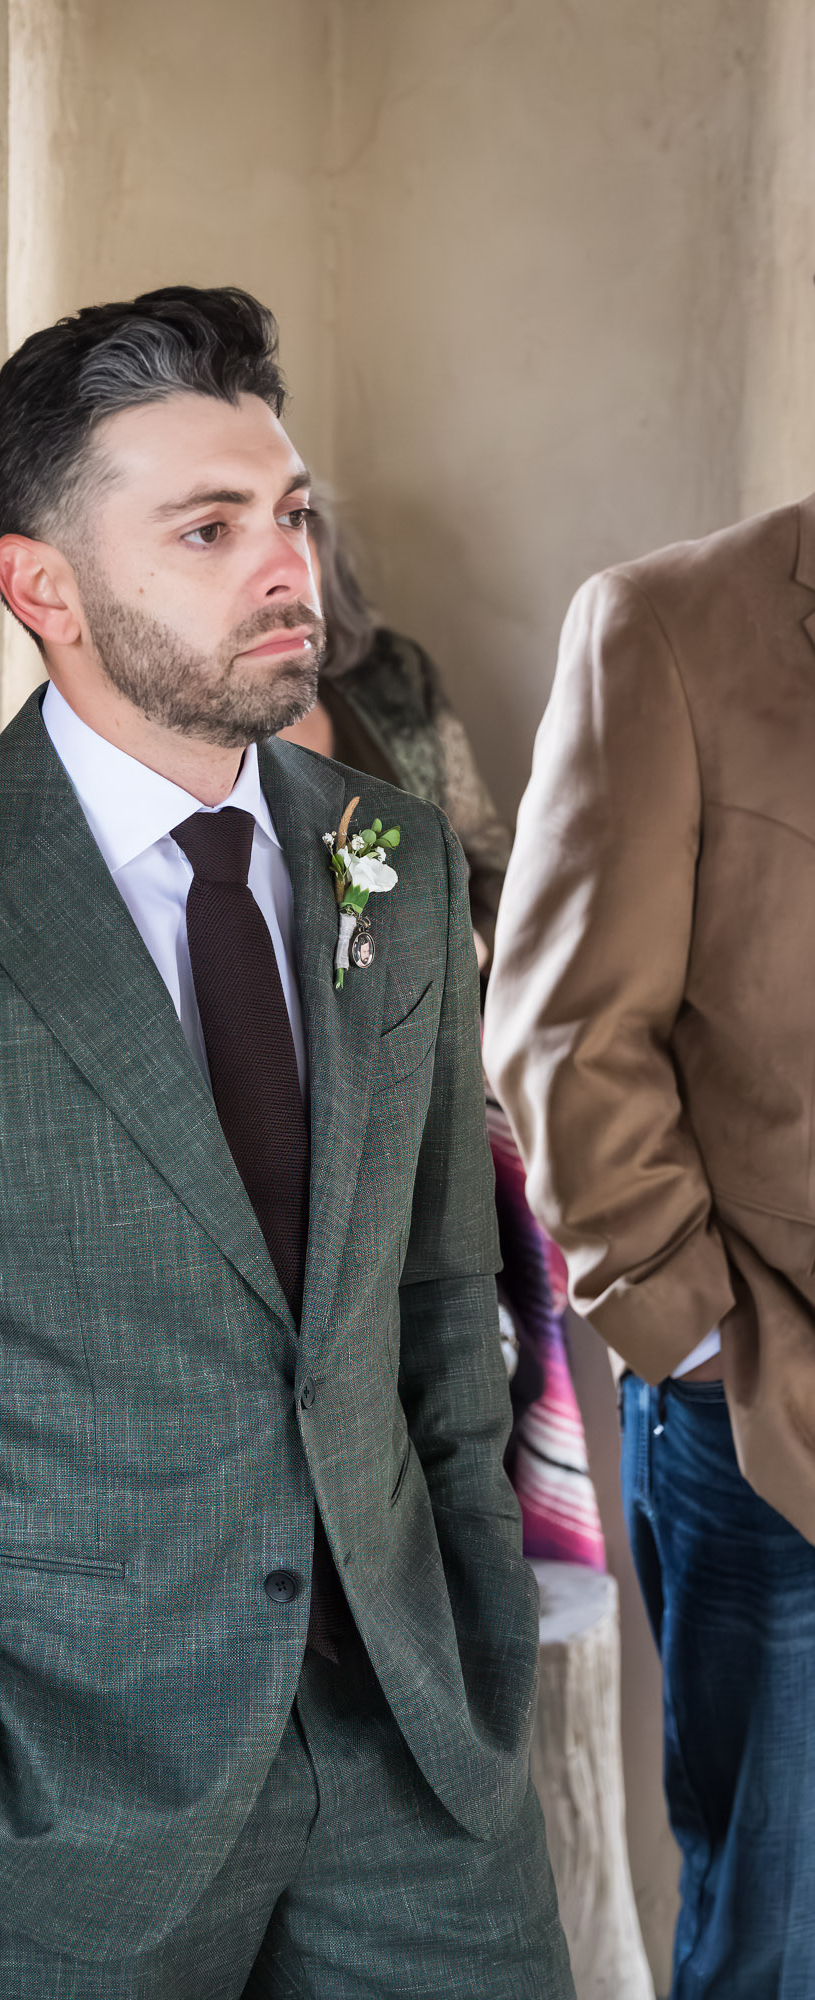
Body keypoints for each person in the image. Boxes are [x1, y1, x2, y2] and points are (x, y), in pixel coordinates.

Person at [0, 285, 570, 1997]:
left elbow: (442, 1296)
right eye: (207, 528)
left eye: (288, 514)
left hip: (414, 1765)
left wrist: (480, 1634)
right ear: (40, 586)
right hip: (52, 1799)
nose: (282, 563)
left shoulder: (392, 861)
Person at [486, 496, 815, 1999]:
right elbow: (563, 1036)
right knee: (776, 1941)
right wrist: (702, 1345)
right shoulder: (667, 626)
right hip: (777, 1428)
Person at [283, 502, 604, 1571]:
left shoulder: (392, 682)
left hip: (444, 1062)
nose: (277, 562)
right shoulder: (194, 714)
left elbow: (483, 848)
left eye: (293, 525)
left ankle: (479, 1571)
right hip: (294, 1090)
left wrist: (461, 945)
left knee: (474, 1337)